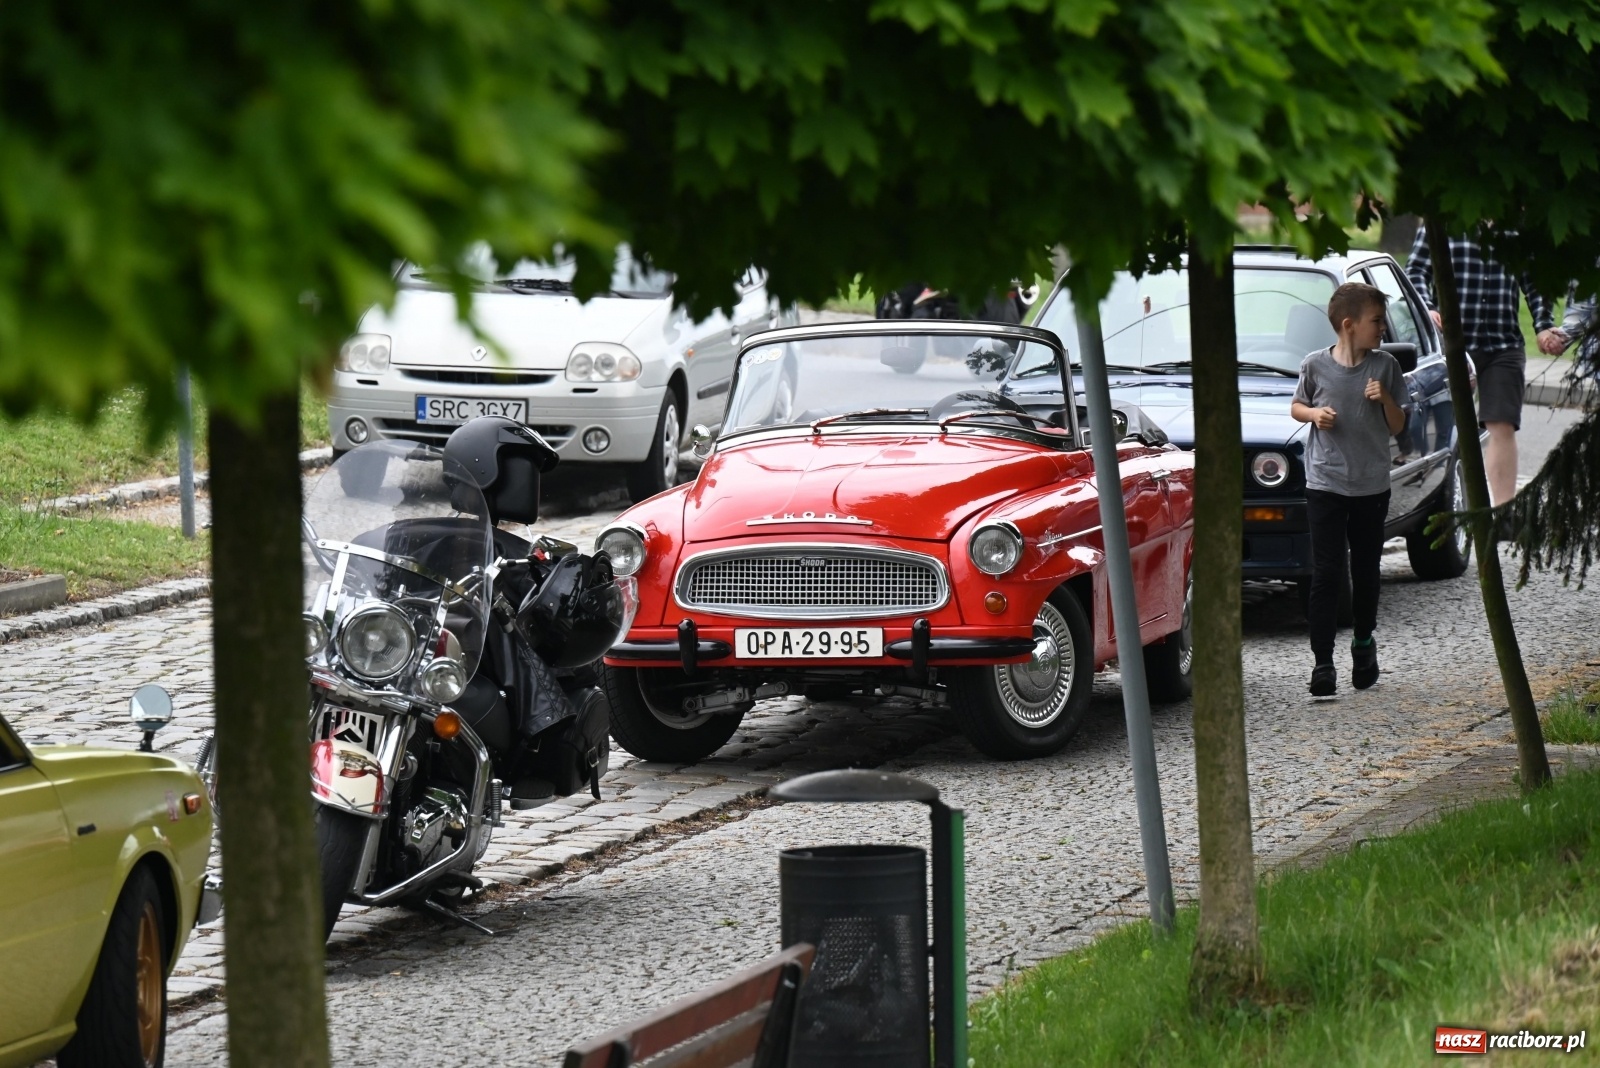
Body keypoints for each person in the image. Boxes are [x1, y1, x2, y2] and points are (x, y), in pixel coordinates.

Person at [1291, 282, 1408, 697]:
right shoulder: (1315, 365)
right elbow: (1296, 405)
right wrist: (1314, 414)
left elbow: (1398, 425)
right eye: (1376, 321)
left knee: (1365, 569)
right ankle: (1322, 662)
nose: (1382, 329)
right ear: (1348, 325)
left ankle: (1363, 643)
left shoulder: (1385, 368)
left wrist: (1385, 402)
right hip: (1324, 483)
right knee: (1326, 572)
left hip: (1370, 486)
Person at [1405, 229, 1562, 506]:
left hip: (1504, 344)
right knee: (1449, 430)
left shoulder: (1518, 225)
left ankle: (1502, 512)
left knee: (1502, 425)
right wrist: (1426, 308)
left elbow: (1535, 283)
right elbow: (1415, 271)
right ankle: (1446, 505)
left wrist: (1543, 325)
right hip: (1452, 346)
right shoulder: (1442, 219)